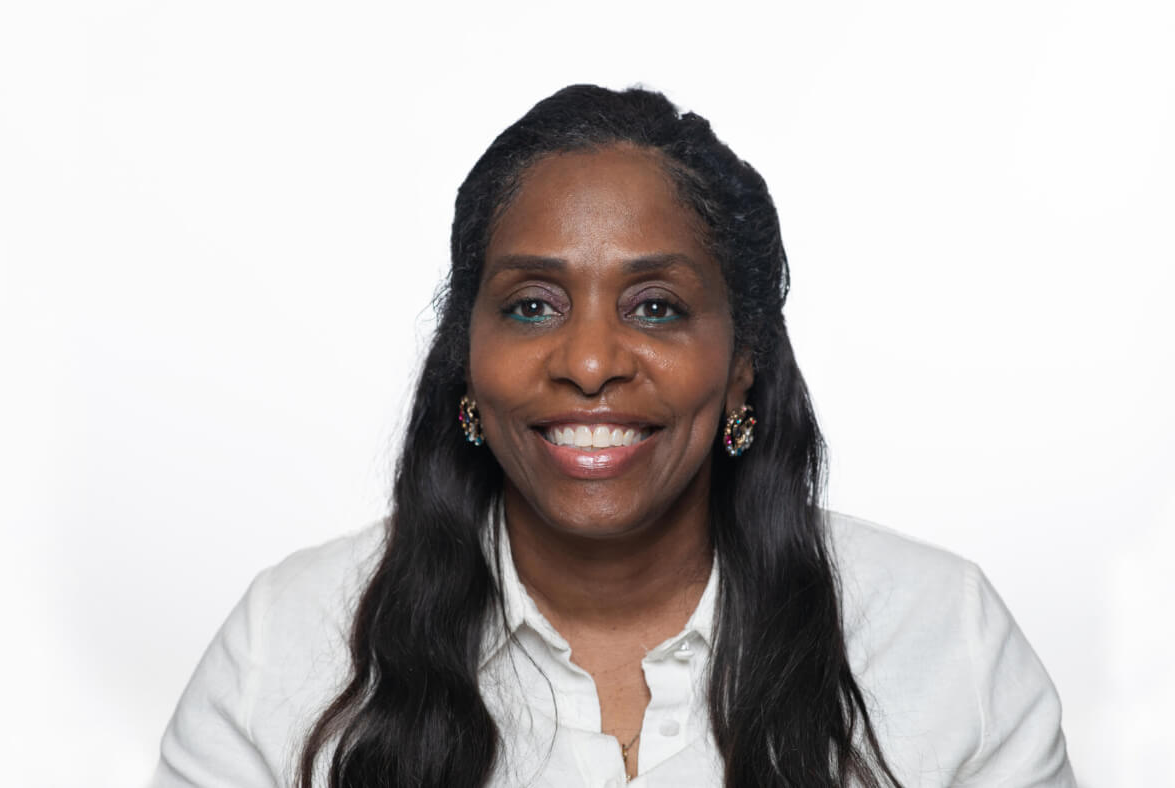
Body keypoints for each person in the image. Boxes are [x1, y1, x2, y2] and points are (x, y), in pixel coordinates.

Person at [149, 85, 1075, 787]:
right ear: (466, 357)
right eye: (532, 305)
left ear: (742, 358)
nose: (590, 362)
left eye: (658, 306)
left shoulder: (943, 636)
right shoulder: (289, 646)